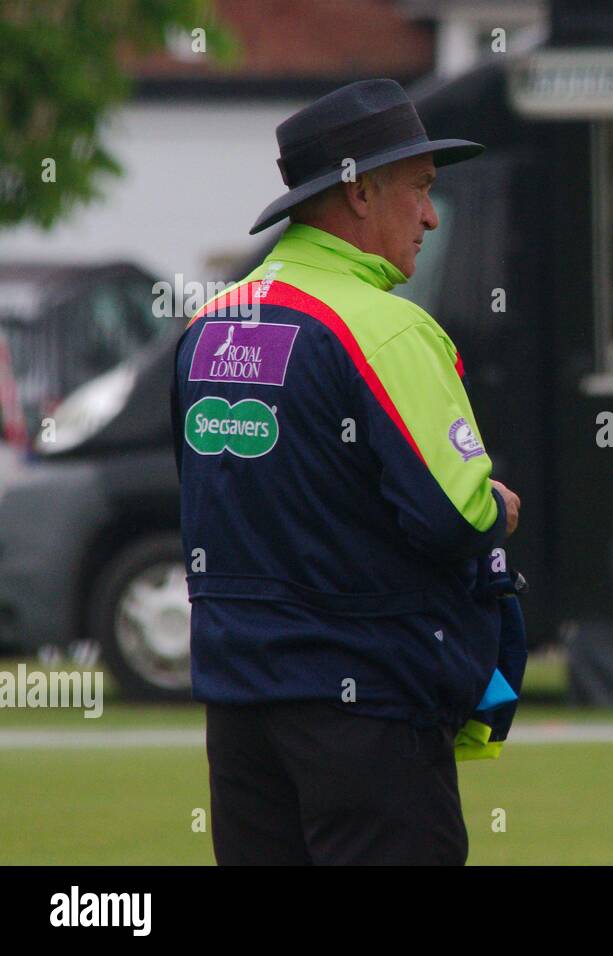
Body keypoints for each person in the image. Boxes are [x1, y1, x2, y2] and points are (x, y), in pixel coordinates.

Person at [170, 79, 523, 865]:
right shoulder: (388, 329)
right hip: (365, 708)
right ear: (361, 193)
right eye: (422, 190)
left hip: (237, 705)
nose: (432, 216)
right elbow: (452, 517)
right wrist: (497, 508)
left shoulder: (207, 325)